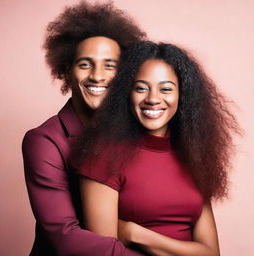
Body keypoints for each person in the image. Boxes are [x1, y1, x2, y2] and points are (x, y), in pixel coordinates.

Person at [77, 41, 240, 256]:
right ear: (126, 93)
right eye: (141, 88)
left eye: (165, 89)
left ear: (182, 96)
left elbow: (211, 253)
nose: (153, 99)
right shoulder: (104, 155)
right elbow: (104, 252)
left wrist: (136, 233)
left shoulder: (194, 156)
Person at [22, 1, 146, 255]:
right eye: (85, 64)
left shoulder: (140, 128)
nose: (97, 76)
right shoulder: (44, 141)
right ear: (67, 71)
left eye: (109, 66)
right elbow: (65, 237)